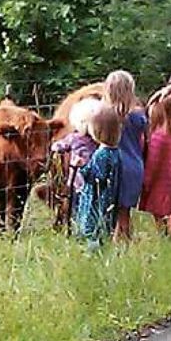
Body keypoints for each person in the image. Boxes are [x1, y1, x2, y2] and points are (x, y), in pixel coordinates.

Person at [103, 70, 147, 241]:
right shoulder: (138, 115)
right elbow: (146, 137)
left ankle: (110, 243)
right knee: (124, 212)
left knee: (108, 208)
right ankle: (124, 244)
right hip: (134, 165)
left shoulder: (104, 115)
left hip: (112, 163)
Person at [74, 105, 122, 249]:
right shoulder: (116, 151)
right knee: (104, 225)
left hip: (96, 199)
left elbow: (97, 177)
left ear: (97, 131)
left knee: (93, 227)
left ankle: (93, 252)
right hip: (109, 198)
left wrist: (82, 166)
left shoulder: (102, 154)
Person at [50, 97, 101, 215]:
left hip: (76, 181)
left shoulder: (73, 138)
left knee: (77, 206)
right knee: (94, 207)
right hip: (95, 180)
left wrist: (54, 146)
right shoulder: (98, 141)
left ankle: (79, 225)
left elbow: (58, 146)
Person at [140, 95, 171, 233]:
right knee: (167, 212)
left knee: (158, 214)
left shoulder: (158, 136)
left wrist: (146, 182)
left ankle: (164, 236)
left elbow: (153, 163)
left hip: (158, 182)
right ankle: (168, 235)